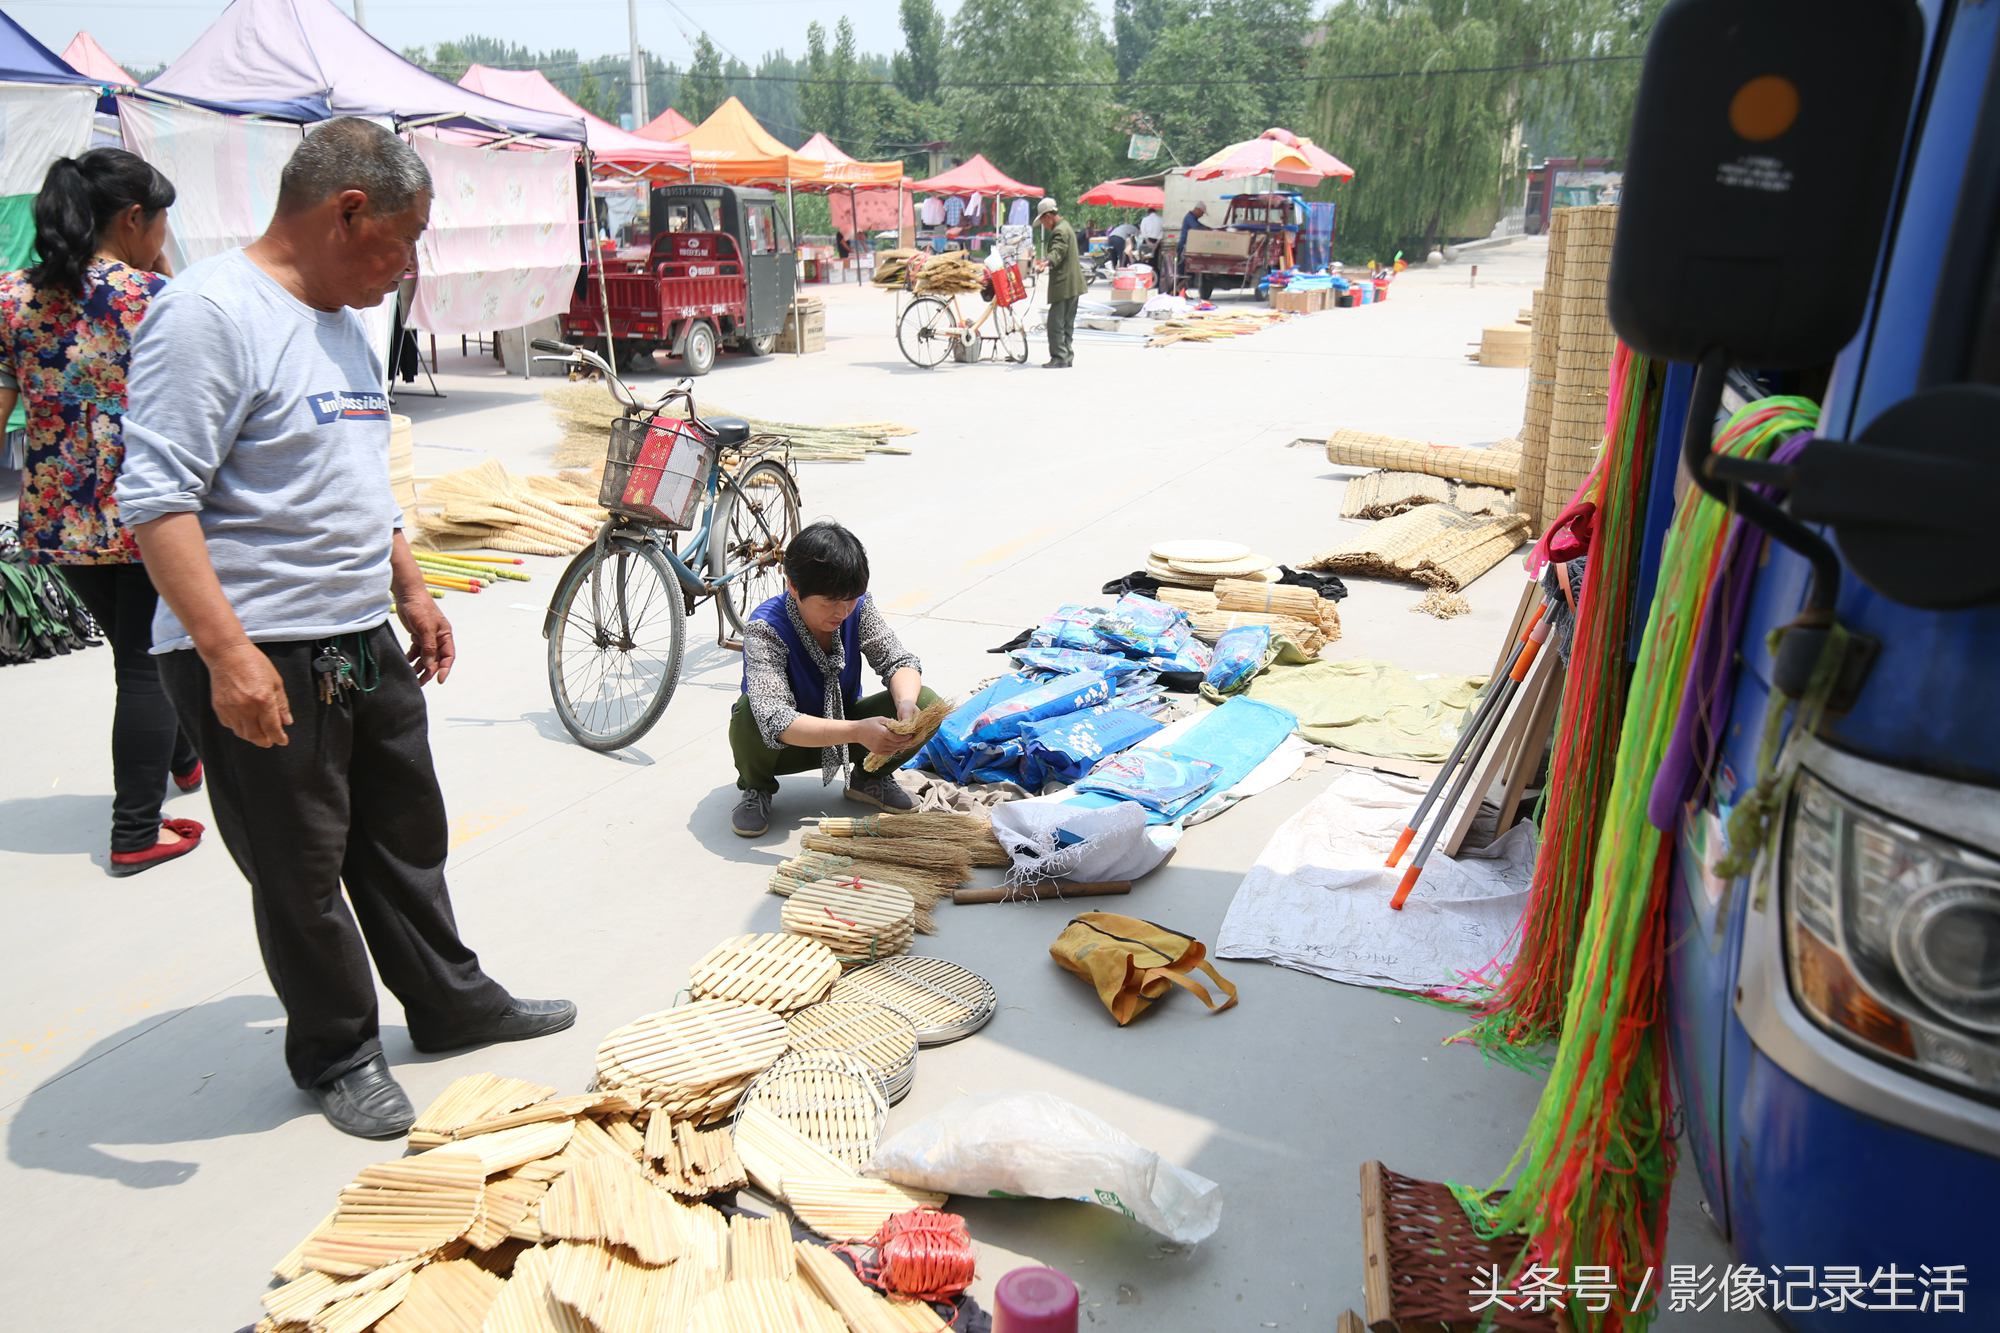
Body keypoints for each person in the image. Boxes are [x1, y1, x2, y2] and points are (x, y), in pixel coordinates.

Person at [117, 118, 575, 1140]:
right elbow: (156, 501)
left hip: (358, 627)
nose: (408, 269)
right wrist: (228, 656)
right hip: (257, 642)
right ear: (346, 211)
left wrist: (408, 586)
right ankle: (338, 1048)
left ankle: (452, 1003)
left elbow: (358, 474)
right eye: (402, 242)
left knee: (404, 835)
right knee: (300, 865)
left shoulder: (341, 319)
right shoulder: (207, 316)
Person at [0, 150, 206, 877]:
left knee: (136, 648)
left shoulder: (13, 296)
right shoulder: (155, 296)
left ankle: (183, 756)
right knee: (147, 662)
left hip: (54, 519)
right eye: (162, 222)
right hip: (146, 511)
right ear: (133, 218)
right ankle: (134, 829)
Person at [730, 522, 940, 837]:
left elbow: (898, 660)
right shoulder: (766, 627)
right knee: (750, 713)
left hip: (846, 733)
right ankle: (756, 788)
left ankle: (870, 778)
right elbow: (776, 719)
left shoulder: (858, 608)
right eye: (829, 602)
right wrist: (857, 731)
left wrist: (906, 706)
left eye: (850, 599)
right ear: (794, 587)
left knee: (925, 703)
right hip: (783, 747)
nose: (842, 611)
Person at [1034, 197, 1083, 369]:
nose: (1044, 225)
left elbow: (1057, 251)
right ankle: (1067, 355)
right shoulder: (1066, 226)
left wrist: (1046, 263)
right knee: (1067, 322)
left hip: (1064, 284)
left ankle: (1059, 357)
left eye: (1043, 221)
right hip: (1073, 284)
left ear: (1048, 216)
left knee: (1055, 323)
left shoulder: (1059, 231)